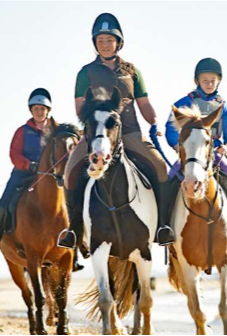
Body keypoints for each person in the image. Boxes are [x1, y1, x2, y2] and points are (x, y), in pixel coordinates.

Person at [58, 13, 175, 250]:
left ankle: (163, 225)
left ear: (118, 43)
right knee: (70, 170)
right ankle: (73, 230)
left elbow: (143, 102)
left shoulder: (132, 71)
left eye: (109, 40)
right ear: (95, 45)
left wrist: (153, 122)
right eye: (100, 41)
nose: (104, 45)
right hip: (96, 134)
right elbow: (80, 107)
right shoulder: (85, 72)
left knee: (161, 167)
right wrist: (94, 121)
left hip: (130, 131)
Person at [165, 58, 227, 235]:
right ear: (197, 81)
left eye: (212, 81)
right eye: (205, 80)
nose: (209, 84)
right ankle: (164, 224)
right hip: (190, 152)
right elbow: (171, 129)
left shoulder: (223, 106)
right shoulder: (183, 103)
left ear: (219, 82)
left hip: (214, 151)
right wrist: (177, 146)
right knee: (170, 178)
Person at [0, 88, 54, 259]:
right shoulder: (22, 131)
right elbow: (14, 154)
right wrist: (29, 165)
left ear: (47, 111)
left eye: (42, 109)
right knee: (2, 205)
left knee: (72, 200)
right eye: (36, 108)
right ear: (31, 110)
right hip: (23, 174)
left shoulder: (55, 131)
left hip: (48, 177)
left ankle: (79, 245)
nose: (39, 111)